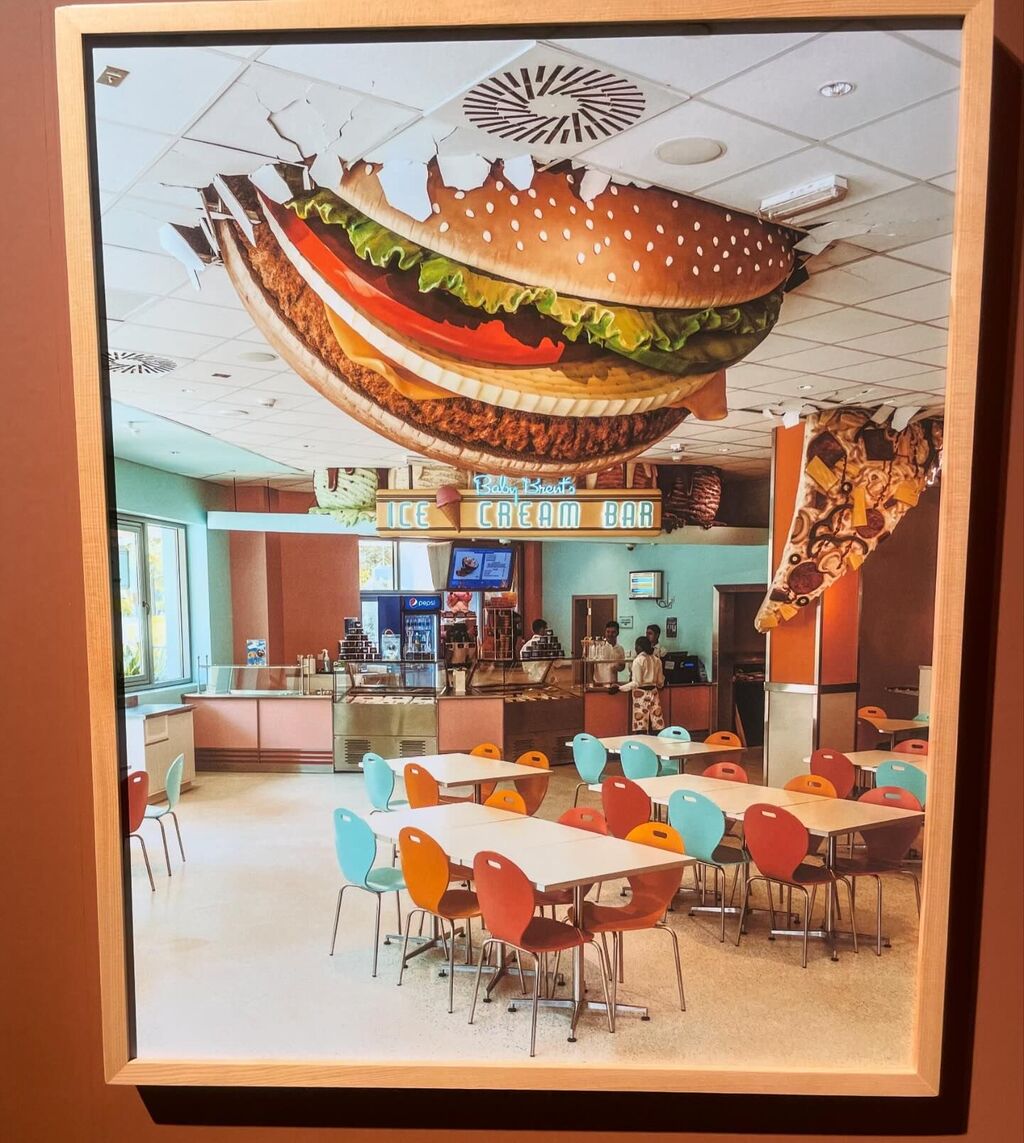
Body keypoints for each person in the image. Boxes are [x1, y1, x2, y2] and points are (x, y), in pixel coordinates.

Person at [618, 635, 666, 733]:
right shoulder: (657, 660)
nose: (635, 649)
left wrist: (620, 688)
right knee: (656, 724)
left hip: (641, 694)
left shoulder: (638, 660)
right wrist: (659, 685)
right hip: (654, 693)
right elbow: (660, 681)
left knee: (641, 725)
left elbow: (637, 682)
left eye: (636, 646)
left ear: (639, 647)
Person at [592, 620, 626, 687]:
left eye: (613, 632)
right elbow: (590, 665)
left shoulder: (620, 649)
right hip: (599, 683)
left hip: (613, 683)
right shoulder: (597, 647)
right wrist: (591, 681)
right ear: (605, 632)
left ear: (617, 633)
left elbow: (622, 666)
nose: (610, 634)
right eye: (608, 632)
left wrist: (618, 668)